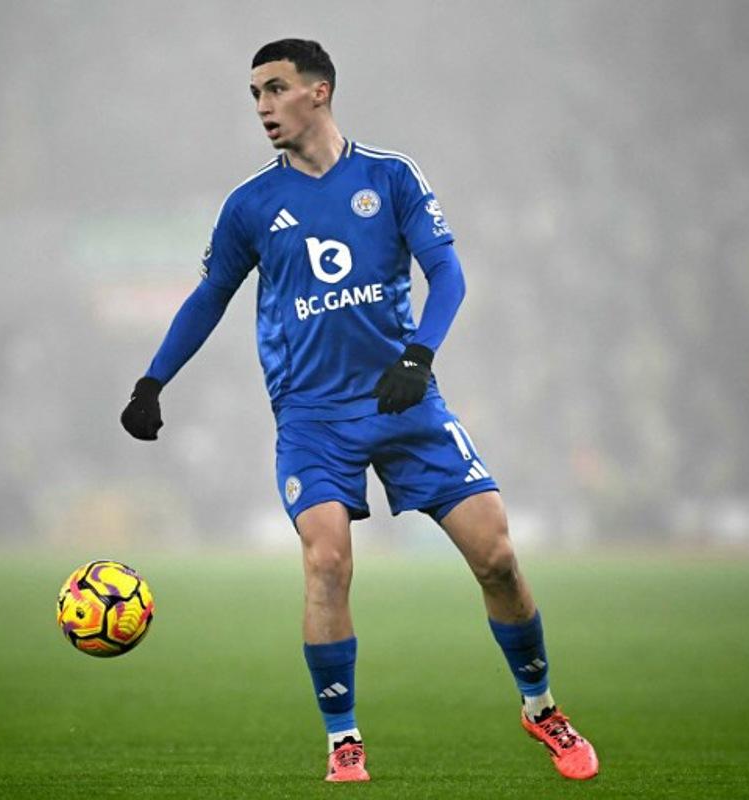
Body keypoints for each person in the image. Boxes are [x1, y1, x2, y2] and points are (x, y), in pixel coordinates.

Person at [120, 38, 598, 783]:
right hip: (312, 417)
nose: (262, 107)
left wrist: (420, 356)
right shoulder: (250, 206)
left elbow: (447, 274)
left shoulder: (391, 176)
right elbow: (209, 296)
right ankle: (343, 738)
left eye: (274, 89)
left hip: (405, 402)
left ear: (320, 91)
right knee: (327, 560)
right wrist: (152, 382)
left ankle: (541, 709)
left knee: (499, 558)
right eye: (254, 95)